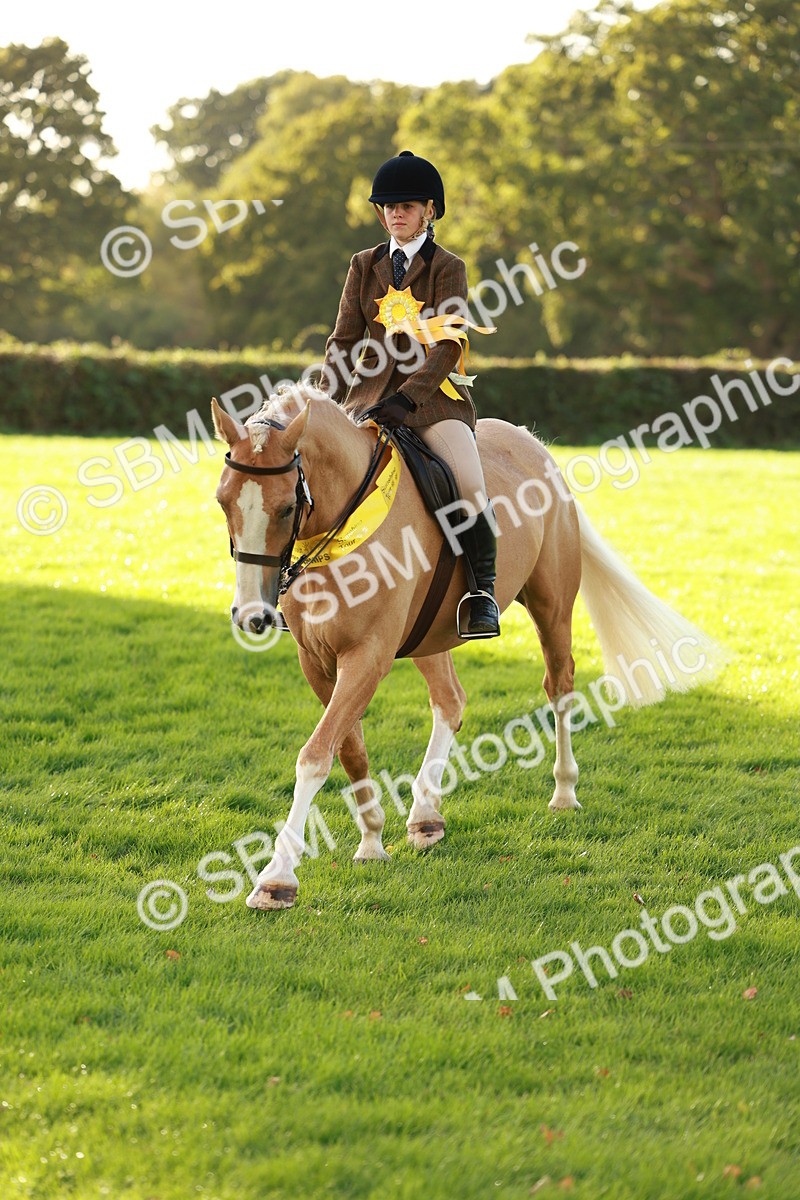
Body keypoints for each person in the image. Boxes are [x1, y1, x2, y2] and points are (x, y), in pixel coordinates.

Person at [318, 150, 500, 638]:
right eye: (389, 206)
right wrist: (324, 400)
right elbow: (344, 339)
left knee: (468, 483)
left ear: (428, 211)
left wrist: (409, 399)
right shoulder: (363, 264)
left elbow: (449, 343)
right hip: (368, 399)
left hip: (434, 403)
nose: (396, 212)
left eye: (408, 205)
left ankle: (482, 592)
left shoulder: (448, 266)